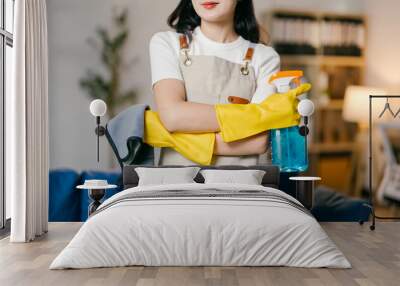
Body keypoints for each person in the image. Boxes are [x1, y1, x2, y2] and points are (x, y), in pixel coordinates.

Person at [148, 0, 308, 166]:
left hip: (239, 188)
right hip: (176, 186)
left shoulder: (265, 57)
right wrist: (250, 117)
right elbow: (173, 116)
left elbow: (260, 141)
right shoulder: (166, 43)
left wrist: (180, 139)